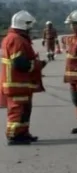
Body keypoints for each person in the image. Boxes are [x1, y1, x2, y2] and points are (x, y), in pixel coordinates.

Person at [1, 10, 47, 145]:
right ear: (24, 25)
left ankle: (22, 133)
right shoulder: (17, 40)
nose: (31, 29)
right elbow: (20, 63)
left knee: (25, 110)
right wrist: (38, 65)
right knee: (17, 110)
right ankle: (14, 135)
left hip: (20, 84)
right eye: (29, 25)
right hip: (17, 84)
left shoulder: (14, 38)